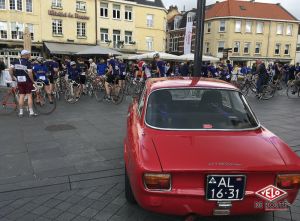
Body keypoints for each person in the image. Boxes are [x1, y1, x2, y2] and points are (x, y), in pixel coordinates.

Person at [9, 50, 37, 117]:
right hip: (27, 81)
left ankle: (21, 112)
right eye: (29, 54)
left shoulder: (16, 61)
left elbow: (10, 69)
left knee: (21, 96)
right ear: (25, 55)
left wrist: (12, 77)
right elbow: (30, 73)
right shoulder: (27, 62)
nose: (29, 56)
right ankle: (31, 112)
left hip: (19, 81)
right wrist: (33, 81)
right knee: (29, 95)